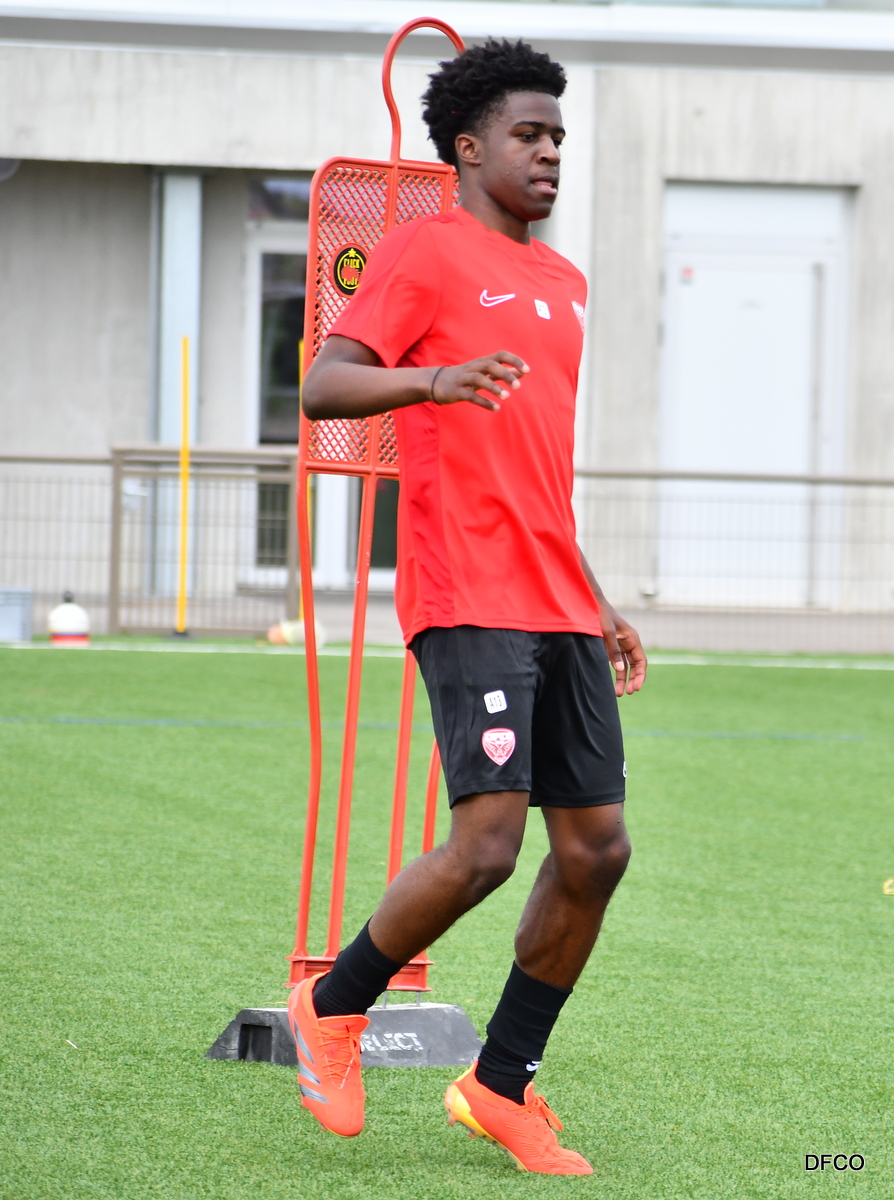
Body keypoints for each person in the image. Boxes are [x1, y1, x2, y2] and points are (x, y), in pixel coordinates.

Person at [292, 38, 647, 1176]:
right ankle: (330, 1009)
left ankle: (499, 1084)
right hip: (468, 589)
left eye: (558, 138)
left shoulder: (566, 285)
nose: (550, 154)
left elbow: (538, 470)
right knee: (489, 845)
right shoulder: (424, 251)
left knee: (596, 850)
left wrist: (596, 596)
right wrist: (433, 380)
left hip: (556, 597)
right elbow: (325, 383)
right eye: (528, 135)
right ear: (467, 147)